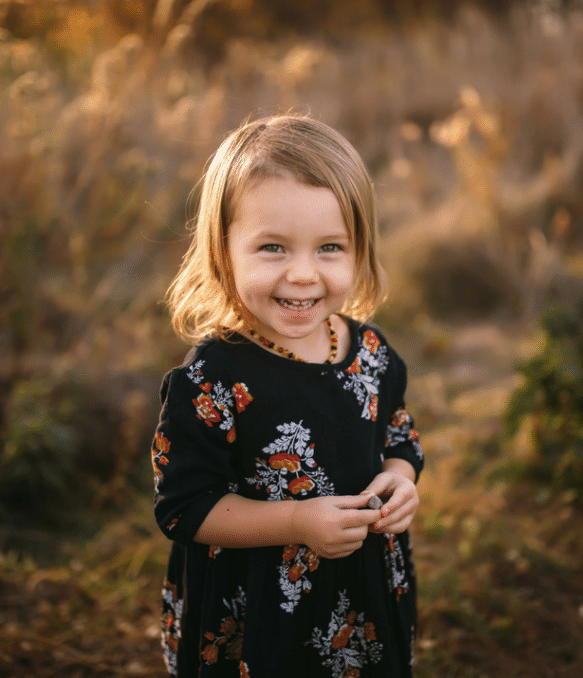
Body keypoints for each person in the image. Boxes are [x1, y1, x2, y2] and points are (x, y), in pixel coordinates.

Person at [151, 114, 424, 678]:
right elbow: (186, 506)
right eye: (272, 247)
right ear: (223, 251)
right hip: (258, 614)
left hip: (361, 596)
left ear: (360, 248)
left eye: (330, 248)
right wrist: (297, 524)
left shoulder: (370, 352)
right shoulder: (212, 379)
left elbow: (398, 432)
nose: (303, 275)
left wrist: (400, 478)